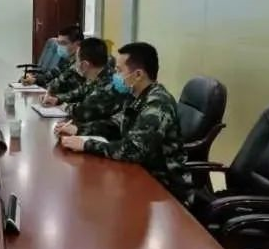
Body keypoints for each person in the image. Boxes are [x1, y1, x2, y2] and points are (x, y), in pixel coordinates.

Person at [58, 42, 191, 202]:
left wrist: (87, 145)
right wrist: (79, 129)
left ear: (138, 75)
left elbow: (133, 149)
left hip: (165, 187)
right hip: (139, 173)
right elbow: (115, 124)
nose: (115, 75)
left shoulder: (157, 104)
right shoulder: (136, 96)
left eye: (119, 70)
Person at [43, 37, 129, 124]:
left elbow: (82, 112)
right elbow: (80, 92)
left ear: (84, 65)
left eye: (77, 60)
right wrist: (57, 99)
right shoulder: (101, 74)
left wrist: (62, 106)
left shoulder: (109, 86)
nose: (75, 64)